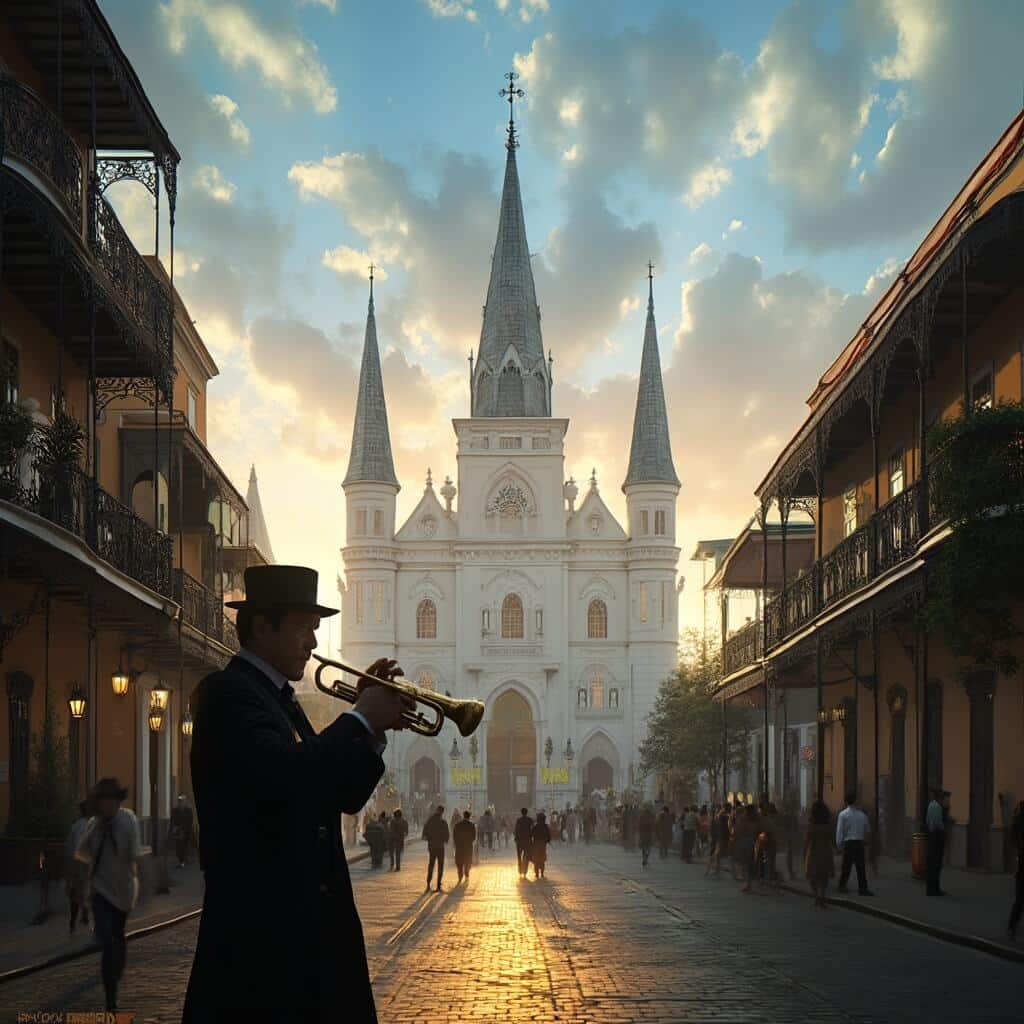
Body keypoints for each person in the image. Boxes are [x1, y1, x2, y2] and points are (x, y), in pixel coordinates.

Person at [182, 564, 409, 1024]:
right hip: (263, 949)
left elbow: (341, 794)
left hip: (302, 943)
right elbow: (290, 777)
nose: (313, 642)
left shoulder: (278, 699)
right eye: (305, 627)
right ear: (264, 626)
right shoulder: (228, 695)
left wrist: (373, 733)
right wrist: (361, 718)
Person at [74, 778, 142, 1013]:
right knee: (107, 940)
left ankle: (116, 966)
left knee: (117, 939)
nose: (108, 805)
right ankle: (110, 998)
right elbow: (83, 854)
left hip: (123, 891)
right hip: (101, 891)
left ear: (117, 801)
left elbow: (134, 854)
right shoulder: (95, 825)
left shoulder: (128, 820)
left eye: (112, 800)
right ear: (99, 803)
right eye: (104, 801)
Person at [836, 792, 874, 896]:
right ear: (856, 801)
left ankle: (842, 886)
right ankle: (863, 889)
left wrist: (839, 845)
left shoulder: (843, 814)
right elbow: (868, 830)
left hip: (848, 843)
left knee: (846, 866)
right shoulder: (862, 815)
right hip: (859, 843)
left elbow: (840, 831)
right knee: (861, 867)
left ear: (846, 802)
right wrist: (866, 841)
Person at [803, 799, 835, 909]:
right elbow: (832, 840)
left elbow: (807, 841)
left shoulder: (811, 826)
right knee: (824, 877)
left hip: (813, 853)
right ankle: (822, 896)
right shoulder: (828, 825)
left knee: (813, 877)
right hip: (826, 852)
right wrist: (837, 849)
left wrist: (803, 854)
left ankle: (816, 895)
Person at [65, 800, 91, 935]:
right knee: (84, 891)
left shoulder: (76, 826)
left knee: (76, 893)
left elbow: (69, 846)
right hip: (84, 864)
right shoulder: (89, 826)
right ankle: (83, 917)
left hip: (75, 863)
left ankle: (74, 921)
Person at [925, 787, 948, 897]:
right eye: (943, 798)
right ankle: (935, 889)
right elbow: (939, 823)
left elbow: (927, 820)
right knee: (936, 864)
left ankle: (930, 889)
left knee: (931, 864)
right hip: (937, 836)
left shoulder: (930, 805)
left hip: (930, 835)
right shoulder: (938, 807)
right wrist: (943, 831)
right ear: (940, 797)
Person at [1007, 799, 1024, 941]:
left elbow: (1013, 839)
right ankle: (1012, 926)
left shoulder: (1017, 819)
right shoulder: (1019, 820)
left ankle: (1012, 926)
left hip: (1020, 865)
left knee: (1019, 899)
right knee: (1020, 899)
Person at [423, 805, 449, 891]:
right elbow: (447, 834)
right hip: (440, 847)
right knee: (440, 865)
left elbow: (425, 831)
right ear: (442, 812)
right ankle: (438, 885)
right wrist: (445, 840)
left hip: (432, 846)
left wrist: (427, 837)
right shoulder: (443, 822)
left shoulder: (430, 820)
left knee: (431, 864)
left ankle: (428, 883)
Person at [453, 810, 477, 882]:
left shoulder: (457, 825)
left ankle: (460, 873)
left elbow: (454, 836)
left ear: (463, 816)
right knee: (468, 859)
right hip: (468, 846)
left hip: (459, 846)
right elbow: (474, 836)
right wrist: (470, 841)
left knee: (459, 860)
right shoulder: (472, 825)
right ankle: (466, 871)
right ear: (469, 817)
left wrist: (456, 843)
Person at [531, 811, 552, 879]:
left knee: (536, 859)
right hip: (543, 844)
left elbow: (531, 834)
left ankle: (537, 873)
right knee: (542, 858)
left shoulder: (536, 826)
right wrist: (548, 840)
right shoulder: (546, 826)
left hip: (536, 844)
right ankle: (542, 873)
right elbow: (549, 836)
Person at [514, 808, 534, 877]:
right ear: (527, 812)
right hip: (527, 840)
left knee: (519, 856)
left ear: (521, 813)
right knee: (526, 856)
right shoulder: (530, 820)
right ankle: (525, 871)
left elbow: (516, 830)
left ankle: (520, 870)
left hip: (520, 841)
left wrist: (516, 838)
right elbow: (532, 829)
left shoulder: (519, 820)